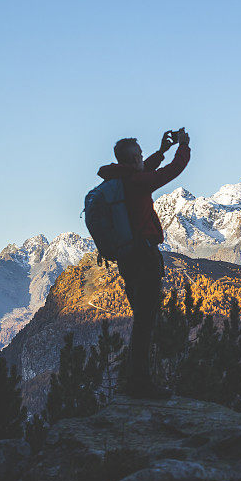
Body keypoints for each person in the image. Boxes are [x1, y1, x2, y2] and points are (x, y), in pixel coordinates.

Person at [97, 128, 191, 397]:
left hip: (128, 259)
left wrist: (161, 151)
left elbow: (145, 169)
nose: (141, 158)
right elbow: (171, 172)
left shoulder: (122, 180)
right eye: (138, 155)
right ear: (130, 161)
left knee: (142, 318)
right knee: (146, 321)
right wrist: (183, 147)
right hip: (143, 257)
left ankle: (135, 380)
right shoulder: (136, 183)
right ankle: (140, 383)